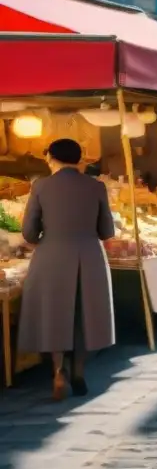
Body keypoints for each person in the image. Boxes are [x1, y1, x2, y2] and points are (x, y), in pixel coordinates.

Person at [18, 139, 115, 400]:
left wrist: (46, 238)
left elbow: (28, 232)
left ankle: (58, 370)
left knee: (54, 312)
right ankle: (79, 371)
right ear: (79, 158)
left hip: (52, 254)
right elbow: (107, 230)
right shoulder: (96, 187)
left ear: (51, 157)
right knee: (84, 314)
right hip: (89, 255)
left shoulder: (41, 186)